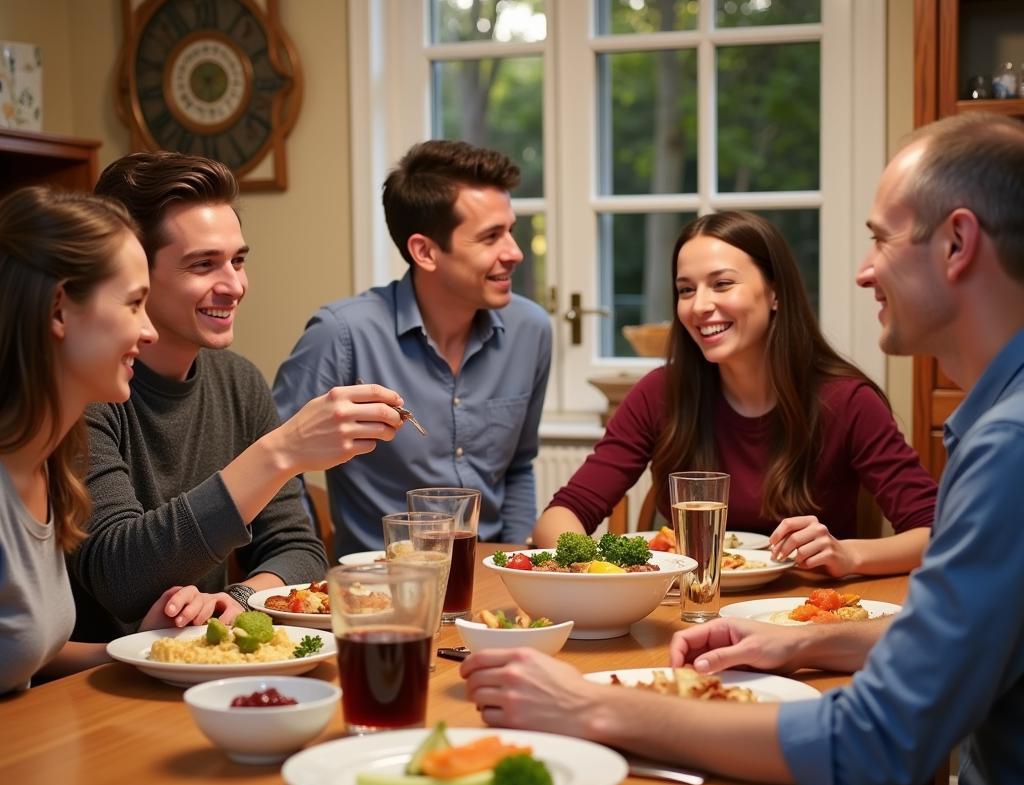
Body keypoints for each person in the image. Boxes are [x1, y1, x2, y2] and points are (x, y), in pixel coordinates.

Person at [462, 113, 1024, 785]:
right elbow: (974, 641)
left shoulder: (1000, 442)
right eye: (686, 288)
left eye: (880, 241)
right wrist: (801, 644)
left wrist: (593, 710)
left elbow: (876, 748)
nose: (865, 272)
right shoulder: (999, 423)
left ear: (958, 244)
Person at [69, 152, 406, 641]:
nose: (234, 285)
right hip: (85, 688)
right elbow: (120, 579)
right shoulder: (86, 389)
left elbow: (299, 550)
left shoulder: (239, 381)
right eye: (204, 265)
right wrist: (281, 452)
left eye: (238, 261)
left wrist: (241, 598)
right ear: (132, 274)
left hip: (196, 666)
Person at [534, 210, 937, 577]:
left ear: (775, 293)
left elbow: (936, 532)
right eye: (686, 290)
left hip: (802, 620)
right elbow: (561, 516)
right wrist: (605, 572)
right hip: (684, 612)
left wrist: (848, 555)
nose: (699, 306)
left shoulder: (846, 401)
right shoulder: (660, 393)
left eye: (722, 284)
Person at [273, 139, 552, 556]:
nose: (514, 252)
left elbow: (518, 467)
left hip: (491, 580)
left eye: (510, 231)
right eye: (491, 237)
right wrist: (304, 563)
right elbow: (276, 465)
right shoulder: (340, 335)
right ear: (425, 251)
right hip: (379, 586)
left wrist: (514, 559)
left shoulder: (531, 330)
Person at [0, 187, 162, 693]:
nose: (150, 331)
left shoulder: (49, 462)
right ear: (58, 310)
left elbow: (20, 650)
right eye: (134, 303)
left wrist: (147, 644)